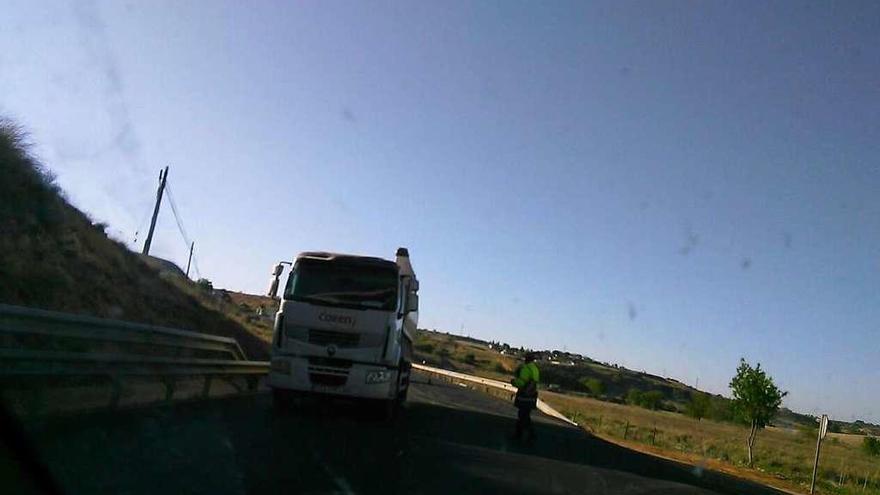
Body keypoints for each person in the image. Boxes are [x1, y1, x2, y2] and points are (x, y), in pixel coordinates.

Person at [511, 352, 540, 440]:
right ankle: (528, 434)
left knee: (522, 415)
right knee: (526, 415)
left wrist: (513, 382)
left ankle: (520, 435)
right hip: (532, 394)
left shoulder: (525, 368)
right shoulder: (535, 368)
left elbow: (522, 382)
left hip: (524, 394)